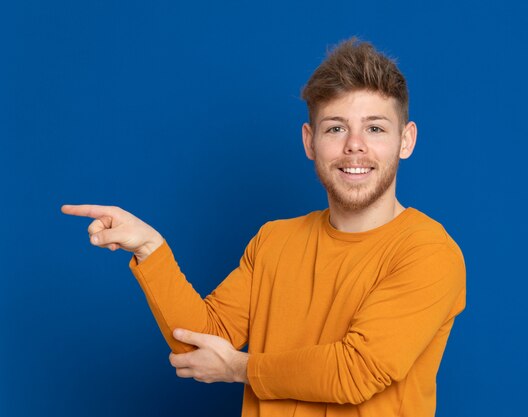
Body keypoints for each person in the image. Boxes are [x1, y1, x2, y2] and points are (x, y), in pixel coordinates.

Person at [62, 38, 466, 417]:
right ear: (309, 142)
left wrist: (240, 368)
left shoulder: (428, 252)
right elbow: (200, 342)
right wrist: (151, 250)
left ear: (406, 140)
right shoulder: (274, 241)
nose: (354, 145)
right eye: (335, 128)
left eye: (375, 128)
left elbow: (357, 371)